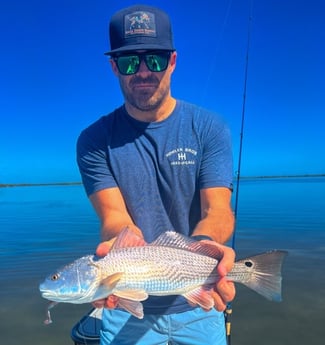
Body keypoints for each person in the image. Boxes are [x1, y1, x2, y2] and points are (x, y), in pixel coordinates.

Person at [77, 4, 236, 345]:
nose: (144, 71)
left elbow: (217, 211)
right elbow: (113, 216)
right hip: (125, 305)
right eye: (129, 61)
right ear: (114, 68)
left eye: (156, 59)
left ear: (173, 61)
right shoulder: (93, 141)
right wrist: (123, 242)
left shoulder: (209, 128)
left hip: (200, 302)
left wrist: (205, 248)